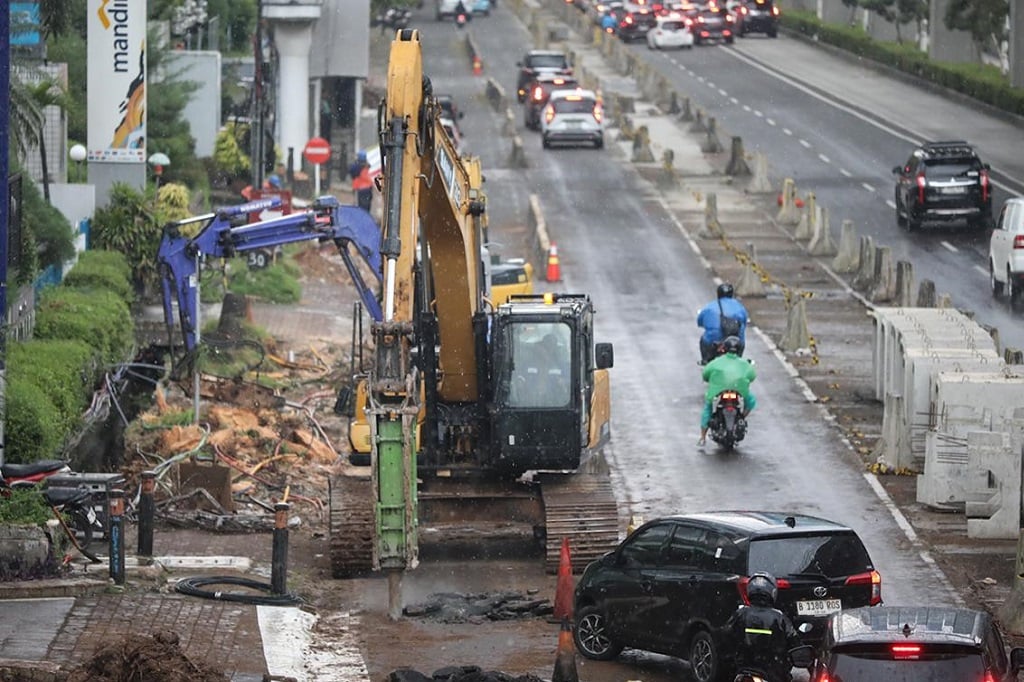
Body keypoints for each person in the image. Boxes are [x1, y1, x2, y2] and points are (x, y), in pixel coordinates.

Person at [721, 572, 803, 682]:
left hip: (743, 670)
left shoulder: (741, 613)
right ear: (772, 592)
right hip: (773, 673)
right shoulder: (779, 617)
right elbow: (794, 641)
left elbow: (725, 636)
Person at [698, 335, 755, 446]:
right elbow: (752, 376)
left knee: (708, 408)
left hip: (717, 392)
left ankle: (702, 437)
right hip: (740, 391)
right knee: (751, 400)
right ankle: (742, 418)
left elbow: (705, 374)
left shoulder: (716, 362)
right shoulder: (745, 364)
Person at [697, 282, 749, 365]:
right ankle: (738, 362)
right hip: (736, 342)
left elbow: (699, 322)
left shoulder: (709, 307)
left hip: (712, 343)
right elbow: (745, 322)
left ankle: (705, 362)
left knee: (703, 339)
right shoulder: (739, 307)